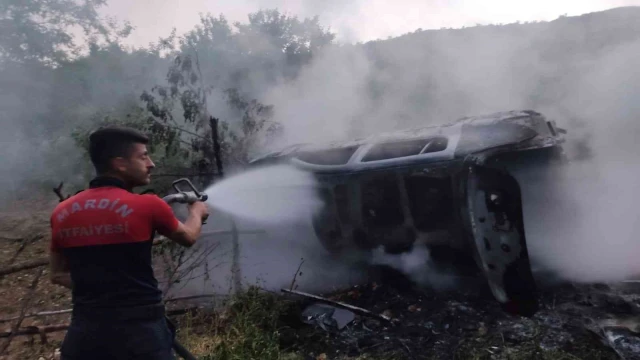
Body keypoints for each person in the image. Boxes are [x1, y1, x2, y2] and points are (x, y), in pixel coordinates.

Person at [49, 126, 209, 359]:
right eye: (143, 156)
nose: (151, 163)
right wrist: (197, 212)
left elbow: (57, 274)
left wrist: (100, 288)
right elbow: (189, 237)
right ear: (119, 163)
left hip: (84, 336)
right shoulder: (149, 205)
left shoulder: (61, 212)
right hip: (141, 336)